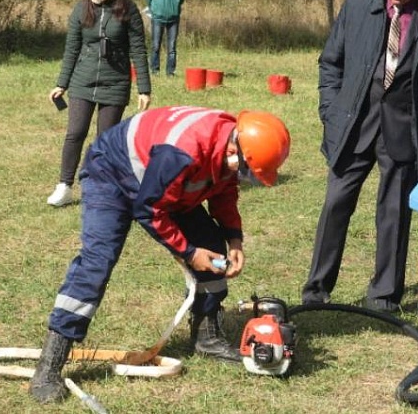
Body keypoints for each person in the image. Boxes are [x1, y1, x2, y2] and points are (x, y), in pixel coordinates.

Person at [29, 106, 291, 404]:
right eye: (245, 171)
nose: (243, 178)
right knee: (96, 264)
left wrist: (234, 240)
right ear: (234, 147)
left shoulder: (234, 142)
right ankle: (49, 366)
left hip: (164, 184)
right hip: (111, 175)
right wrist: (190, 254)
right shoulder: (183, 151)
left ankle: (207, 337)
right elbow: (149, 210)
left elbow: (223, 191)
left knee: (211, 244)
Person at [301, 0, 418, 313]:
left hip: (406, 127)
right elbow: (331, 62)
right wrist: (330, 112)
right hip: (354, 122)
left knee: (394, 210)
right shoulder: (357, 6)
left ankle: (384, 294)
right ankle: (317, 289)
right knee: (335, 203)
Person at [47, 0, 152, 207]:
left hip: (115, 83)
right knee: (75, 133)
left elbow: (138, 49)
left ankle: (102, 189)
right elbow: (72, 48)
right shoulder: (82, 8)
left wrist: (144, 89)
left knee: (105, 140)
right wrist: (62, 83)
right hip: (83, 81)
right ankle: (64, 186)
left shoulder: (128, 8)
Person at [145, 0, 185, 76]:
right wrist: (156, 10)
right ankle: (155, 70)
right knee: (156, 45)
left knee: (172, 48)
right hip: (158, 18)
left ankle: (170, 72)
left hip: (174, 19)